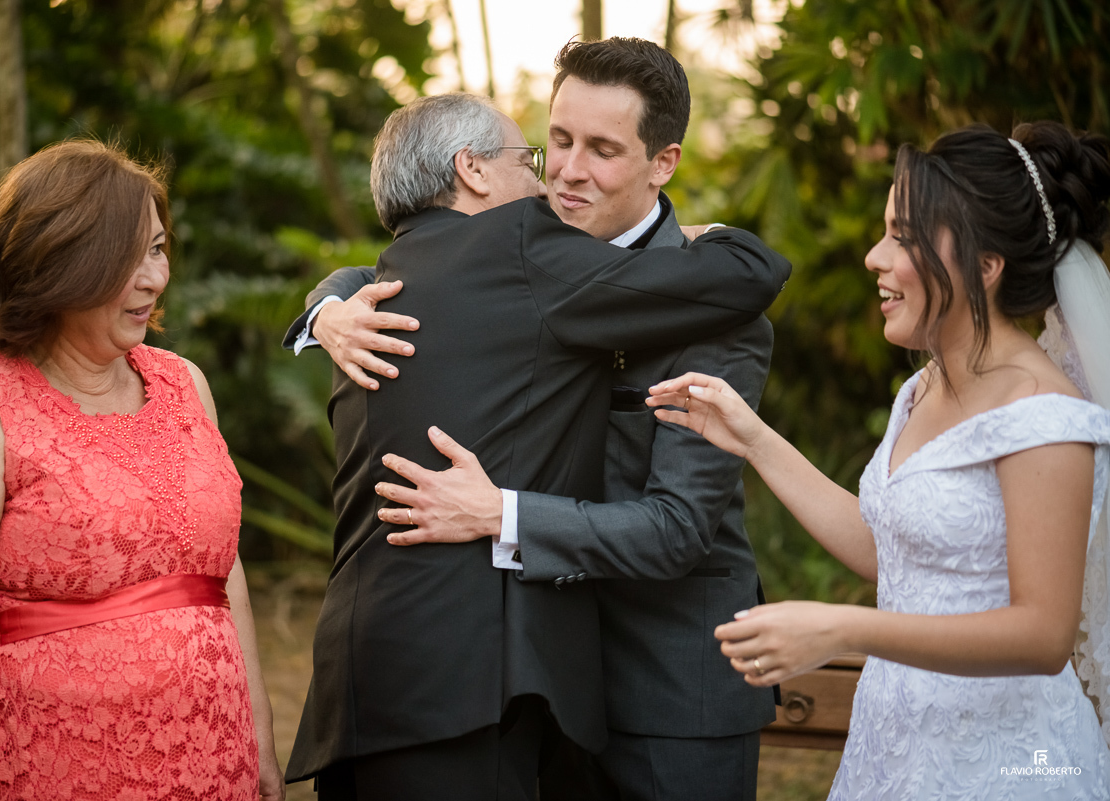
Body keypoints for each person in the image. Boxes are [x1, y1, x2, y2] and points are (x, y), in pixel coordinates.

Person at [297, 38, 776, 800]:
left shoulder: (713, 306)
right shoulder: (503, 262)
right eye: (556, 141)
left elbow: (679, 527)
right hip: (534, 689)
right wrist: (326, 310)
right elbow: (399, 266)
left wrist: (502, 513)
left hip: (666, 688)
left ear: (664, 163)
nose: (567, 170)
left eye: (603, 149)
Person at [649, 121, 1110, 799]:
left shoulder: (1045, 415)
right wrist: (752, 437)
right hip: (894, 742)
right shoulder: (921, 387)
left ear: (986, 265)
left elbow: (1042, 633)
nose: (873, 257)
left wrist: (841, 627)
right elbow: (887, 546)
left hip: (1004, 762)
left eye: (904, 238)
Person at [0, 140, 283, 801]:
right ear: (59, 262)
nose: (155, 277)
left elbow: (224, 577)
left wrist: (261, 748)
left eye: (160, 248)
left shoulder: (186, 384)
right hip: (55, 772)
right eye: (129, 256)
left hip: (214, 767)